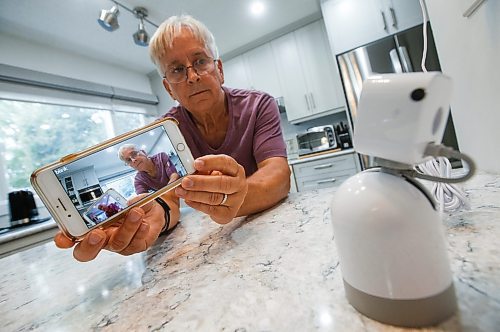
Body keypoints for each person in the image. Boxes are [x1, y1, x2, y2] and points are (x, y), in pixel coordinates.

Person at [54, 14, 291, 262]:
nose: (192, 76)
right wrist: (155, 216)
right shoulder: (169, 129)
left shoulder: (259, 104)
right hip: (219, 248)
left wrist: (240, 195)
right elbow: (170, 197)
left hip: (270, 227)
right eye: (177, 70)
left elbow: (278, 175)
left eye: (200, 61)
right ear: (169, 89)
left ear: (219, 69)